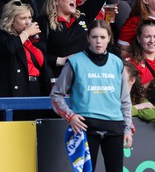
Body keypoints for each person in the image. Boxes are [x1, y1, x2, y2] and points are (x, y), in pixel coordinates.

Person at [50, 20, 133, 171]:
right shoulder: (74, 62)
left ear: (109, 38)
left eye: (102, 37)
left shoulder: (117, 63)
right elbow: (56, 95)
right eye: (94, 37)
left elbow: (125, 100)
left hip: (114, 126)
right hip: (86, 126)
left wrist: (127, 129)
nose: (98, 41)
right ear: (88, 38)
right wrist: (70, 116)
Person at [36, 0, 115, 76]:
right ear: (55, 1)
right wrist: (60, 60)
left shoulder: (82, 15)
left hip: (87, 76)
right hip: (60, 78)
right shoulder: (43, 23)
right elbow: (37, 54)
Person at [0, 0, 52, 97]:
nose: (28, 22)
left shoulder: (32, 41)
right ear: (11, 20)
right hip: (16, 91)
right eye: (23, 18)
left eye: (30, 17)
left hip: (36, 88)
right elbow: (9, 48)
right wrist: (26, 33)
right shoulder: (4, 37)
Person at [127, 20, 155, 87]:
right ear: (139, 39)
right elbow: (133, 93)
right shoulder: (130, 63)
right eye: (147, 36)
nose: (152, 41)